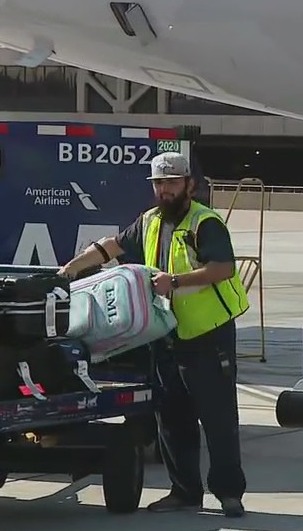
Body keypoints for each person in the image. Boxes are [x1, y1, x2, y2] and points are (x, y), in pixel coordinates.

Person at [58, 152, 250, 517]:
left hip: (208, 337)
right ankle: (185, 492)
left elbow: (222, 268)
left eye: (172, 182)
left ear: (189, 185)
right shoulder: (149, 221)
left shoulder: (204, 223)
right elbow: (113, 245)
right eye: (159, 183)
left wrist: (174, 282)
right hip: (166, 336)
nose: (164, 190)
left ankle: (229, 494)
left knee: (218, 419)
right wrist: (72, 267)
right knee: (172, 420)